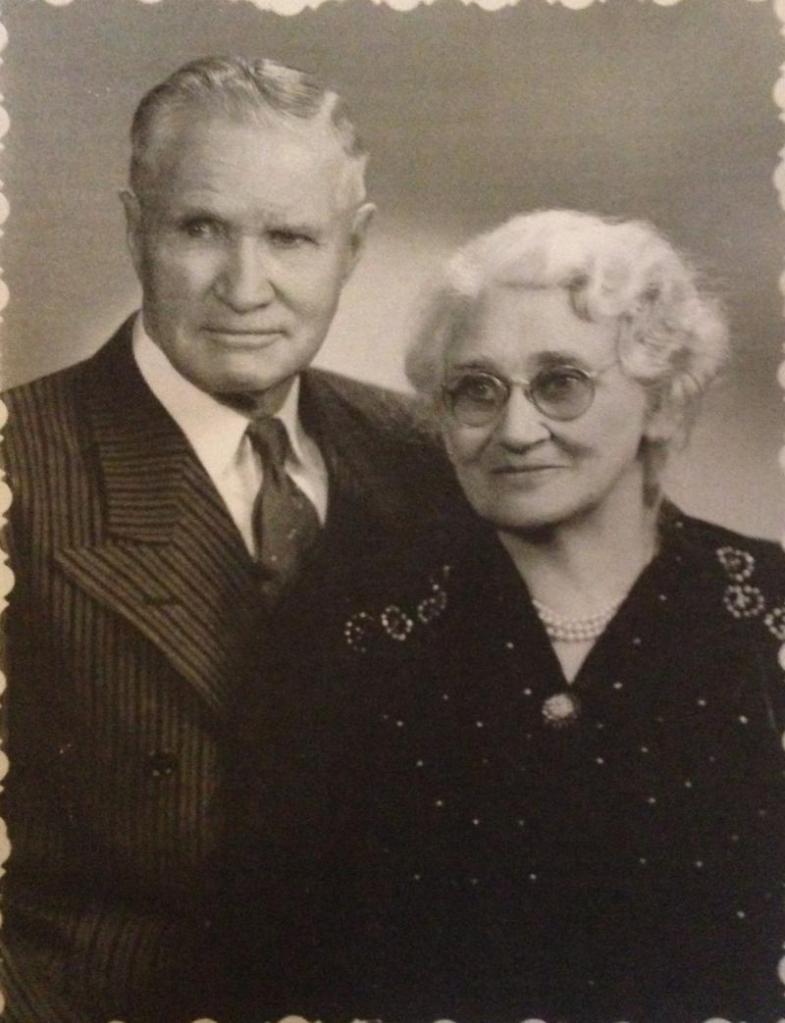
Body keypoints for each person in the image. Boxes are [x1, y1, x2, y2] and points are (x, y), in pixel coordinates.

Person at [0, 56, 466, 1023]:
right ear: (136, 229)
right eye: (200, 228)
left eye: (290, 237)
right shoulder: (18, 466)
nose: (245, 287)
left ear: (353, 245)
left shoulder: (425, 456)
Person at [231, 210, 785, 1021]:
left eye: (560, 382)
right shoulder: (354, 623)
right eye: (476, 391)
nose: (516, 431)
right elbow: (272, 949)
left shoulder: (767, 609)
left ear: (661, 402)